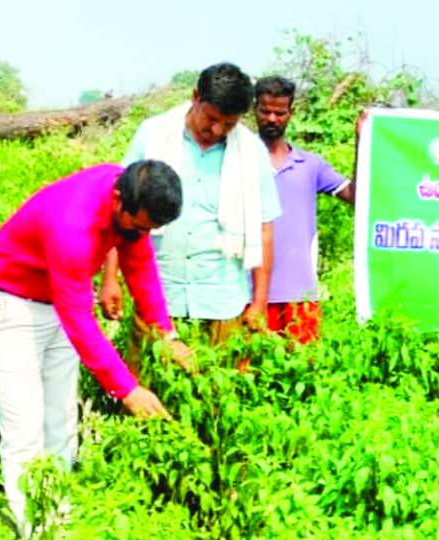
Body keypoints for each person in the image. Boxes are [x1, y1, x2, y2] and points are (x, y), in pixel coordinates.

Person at [0, 161, 192, 535]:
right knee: (24, 428)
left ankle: (57, 517)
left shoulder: (128, 198)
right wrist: (127, 389)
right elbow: (80, 322)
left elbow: (140, 267)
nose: (142, 236)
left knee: (61, 421)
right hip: (9, 307)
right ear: (118, 200)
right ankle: (36, 537)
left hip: (52, 301)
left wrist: (165, 335)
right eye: (140, 227)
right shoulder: (71, 226)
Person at [102, 63, 282, 346]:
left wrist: (259, 302)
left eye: (229, 124)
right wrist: (110, 277)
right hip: (159, 295)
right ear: (196, 96)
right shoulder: (153, 134)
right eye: (211, 119)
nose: (217, 130)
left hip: (223, 300)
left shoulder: (251, 151)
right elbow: (121, 207)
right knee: (150, 371)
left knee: (219, 373)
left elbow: (264, 229)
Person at [252, 76, 359, 343]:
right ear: (254, 110)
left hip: (300, 295)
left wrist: (362, 142)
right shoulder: (238, 159)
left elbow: (355, 195)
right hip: (249, 295)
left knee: (305, 365)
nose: (272, 119)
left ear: (291, 113)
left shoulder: (311, 165)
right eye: (265, 111)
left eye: (280, 113)